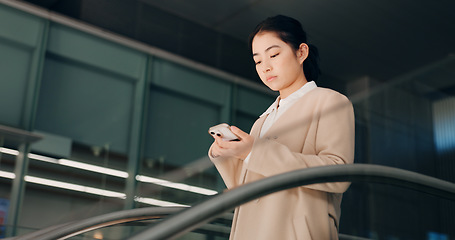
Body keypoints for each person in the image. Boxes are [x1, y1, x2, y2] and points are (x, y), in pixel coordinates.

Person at [209, 15, 355, 240]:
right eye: (258, 61)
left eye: (274, 55)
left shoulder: (330, 102)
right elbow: (249, 187)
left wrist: (253, 151)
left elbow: (338, 174)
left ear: (301, 52)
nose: (265, 67)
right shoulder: (263, 120)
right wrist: (227, 155)